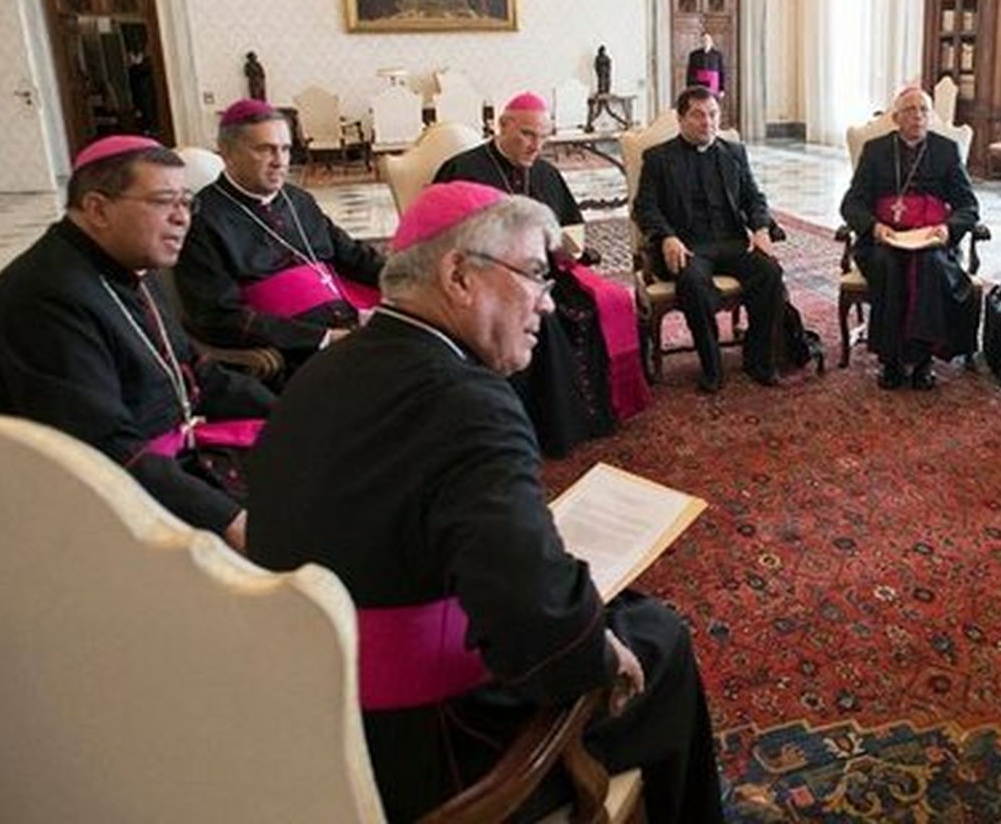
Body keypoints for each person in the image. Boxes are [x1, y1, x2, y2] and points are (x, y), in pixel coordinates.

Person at [245, 182, 723, 824]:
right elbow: (537, 625)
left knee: (619, 609)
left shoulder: (325, 370)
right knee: (661, 640)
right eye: (535, 275)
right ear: (459, 277)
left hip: (317, 716)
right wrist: (600, 654)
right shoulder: (467, 404)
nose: (547, 303)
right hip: (432, 746)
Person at [0, 136, 273, 550]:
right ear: (97, 209)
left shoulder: (129, 263)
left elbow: (197, 372)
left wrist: (293, 413)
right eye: (164, 202)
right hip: (111, 510)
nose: (182, 218)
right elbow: (101, 449)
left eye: (186, 202)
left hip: (175, 466)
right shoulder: (45, 297)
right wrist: (226, 518)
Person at [434, 90, 649, 456]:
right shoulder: (462, 171)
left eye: (544, 137)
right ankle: (547, 429)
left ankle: (593, 416)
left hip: (544, 273)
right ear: (502, 125)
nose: (536, 146)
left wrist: (572, 248)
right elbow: (441, 240)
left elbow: (569, 227)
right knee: (541, 318)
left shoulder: (546, 173)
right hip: (486, 281)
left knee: (599, 305)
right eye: (527, 134)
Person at [174, 99, 382, 374]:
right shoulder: (202, 219)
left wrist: (413, 281)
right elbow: (218, 316)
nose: (280, 161)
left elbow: (353, 255)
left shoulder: (298, 200)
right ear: (228, 153)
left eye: (285, 149)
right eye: (265, 149)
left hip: (348, 323)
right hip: (295, 351)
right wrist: (323, 338)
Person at [633, 85, 784, 392]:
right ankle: (712, 365)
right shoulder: (659, 158)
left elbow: (754, 198)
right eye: (698, 115)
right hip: (688, 246)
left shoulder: (734, 153)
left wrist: (760, 228)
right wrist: (667, 236)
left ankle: (758, 359)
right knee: (692, 284)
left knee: (770, 272)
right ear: (681, 119)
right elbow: (644, 207)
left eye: (713, 114)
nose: (708, 122)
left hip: (731, 241)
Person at [839, 85, 980, 390]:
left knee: (930, 264)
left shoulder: (945, 150)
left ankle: (923, 359)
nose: (918, 116)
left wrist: (947, 230)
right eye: (910, 110)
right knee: (888, 264)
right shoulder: (875, 150)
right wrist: (874, 228)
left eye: (924, 110)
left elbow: (968, 206)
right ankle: (890, 360)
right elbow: (852, 203)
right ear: (896, 118)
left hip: (931, 239)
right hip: (884, 239)